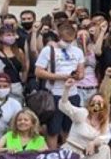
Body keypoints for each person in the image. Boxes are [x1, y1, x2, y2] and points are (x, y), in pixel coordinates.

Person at [34, 22, 86, 150]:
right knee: (53, 129)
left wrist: (77, 76)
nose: (67, 43)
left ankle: (67, 155)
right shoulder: (49, 50)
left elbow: (81, 72)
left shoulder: (77, 51)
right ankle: (53, 157)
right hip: (55, 94)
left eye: (70, 41)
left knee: (70, 128)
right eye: (65, 40)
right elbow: (38, 72)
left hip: (73, 94)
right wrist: (62, 76)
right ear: (58, 36)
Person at [59, 79, 110, 159]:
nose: (96, 104)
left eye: (99, 102)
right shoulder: (82, 113)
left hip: (88, 153)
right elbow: (65, 107)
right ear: (89, 103)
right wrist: (66, 89)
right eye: (94, 101)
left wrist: (93, 142)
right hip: (73, 152)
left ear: (103, 106)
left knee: (105, 148)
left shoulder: (103, 121)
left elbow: (106, 137)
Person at [0, 24, 28, 101]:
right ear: (0, 37)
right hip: (0, 86)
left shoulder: (19, 52)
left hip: (16, 86)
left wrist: (23, 83)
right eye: (8, 35)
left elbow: (24, 69)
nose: (11, 37)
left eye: (13, 35)